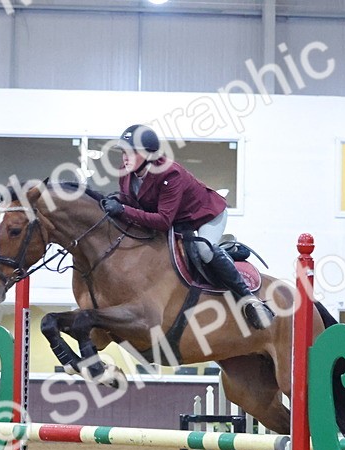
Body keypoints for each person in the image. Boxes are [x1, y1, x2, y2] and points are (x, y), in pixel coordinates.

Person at [101, 124, 273, 331]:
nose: (124, 157)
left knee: (203, 250)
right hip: (177, 220)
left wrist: (122, 210)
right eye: (123, 152)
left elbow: (163, 220)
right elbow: (130, 205)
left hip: (206, 215)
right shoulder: (126, 172)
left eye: (130, 152)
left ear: (148, 154)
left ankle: (248, 299)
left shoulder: (169, 174)